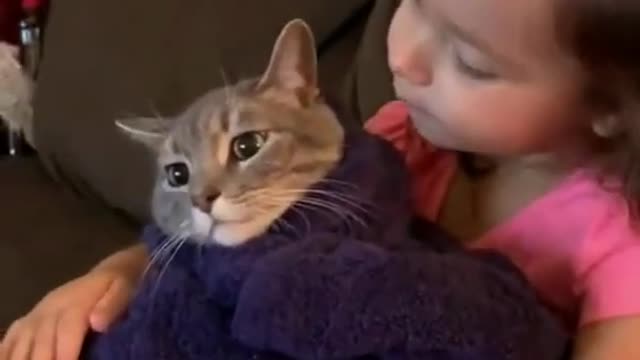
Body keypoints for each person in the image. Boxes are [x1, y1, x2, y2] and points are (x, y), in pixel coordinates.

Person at [2, 0, 640, 359]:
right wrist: (111, 277)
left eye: (470, 62)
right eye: (413, 3)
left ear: (609, 106)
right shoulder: (399, 135)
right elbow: (231, 248)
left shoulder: (620, 246)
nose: (403, 57)